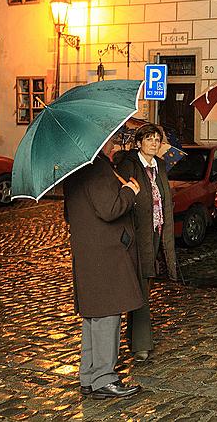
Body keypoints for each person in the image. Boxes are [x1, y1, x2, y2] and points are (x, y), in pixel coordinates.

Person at [63, 135, 143, 399]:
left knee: (93, 317)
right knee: (107, 315)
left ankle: (88, 376)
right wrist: (130, 190)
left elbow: (69, 212)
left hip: (88, 252)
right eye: (112, 138)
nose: (115, 143)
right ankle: (104, 379)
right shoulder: (96, 168)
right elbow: (109, 209)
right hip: (105, 254)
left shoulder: (74, 169)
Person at [114, 124, 178, 363]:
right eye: (148, 139)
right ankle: (141, 343)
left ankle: (134, 338)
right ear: (139, 142)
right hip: (136, 235)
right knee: (139, 287)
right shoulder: (129, 165)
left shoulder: (159, 165)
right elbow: (125, 198)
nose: (153, 143)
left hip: (155, 233)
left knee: (144, 286)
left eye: (156, 139)